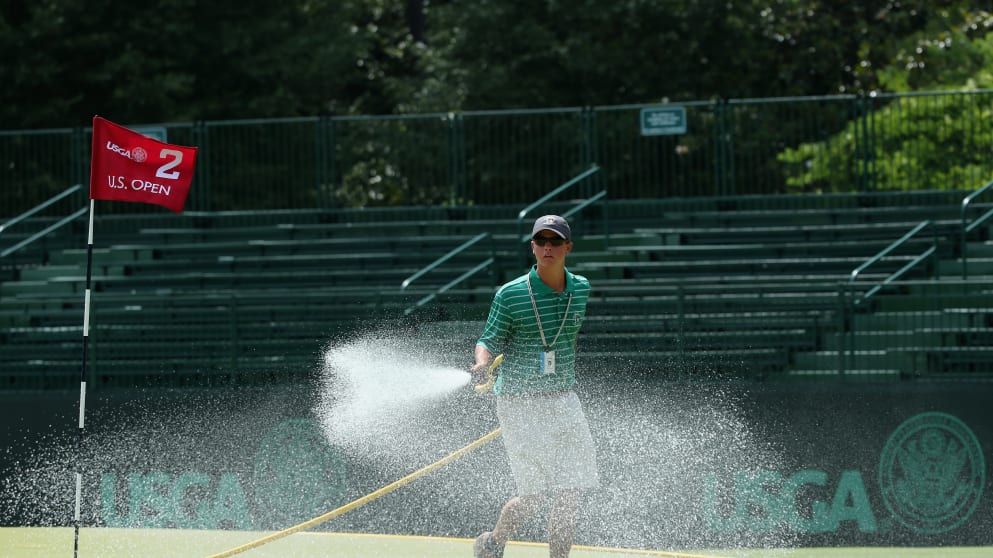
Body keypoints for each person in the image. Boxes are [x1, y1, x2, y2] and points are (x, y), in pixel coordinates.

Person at [470, 215, 599, 558]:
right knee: (534, 498)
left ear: (567, 247)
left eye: (555, 242)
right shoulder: (511, 294)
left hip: (564, 398)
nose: (547, 247)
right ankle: (493, 543)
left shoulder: (581, 288)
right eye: (541, 241)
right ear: (532, 247)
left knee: (570, 492)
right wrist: (483, 364)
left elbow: (567, 340)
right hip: (519, 402)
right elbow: (488, 339)